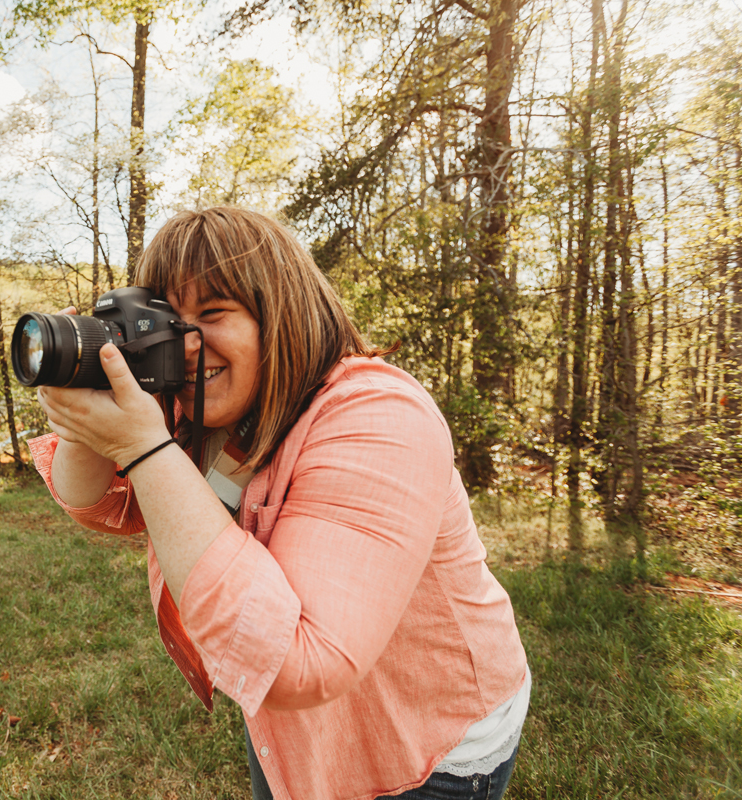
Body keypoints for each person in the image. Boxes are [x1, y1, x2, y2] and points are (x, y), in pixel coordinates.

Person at [28, 207, 530, 800]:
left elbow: (303, 660)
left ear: (282, 315)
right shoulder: (200, 411)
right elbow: (98, 503)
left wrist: (143, 446)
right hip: (288, 731)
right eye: (165, 318)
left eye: (213, 314)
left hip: (423, 746)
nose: (184, 344)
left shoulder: (380, 417)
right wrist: (92, 413)